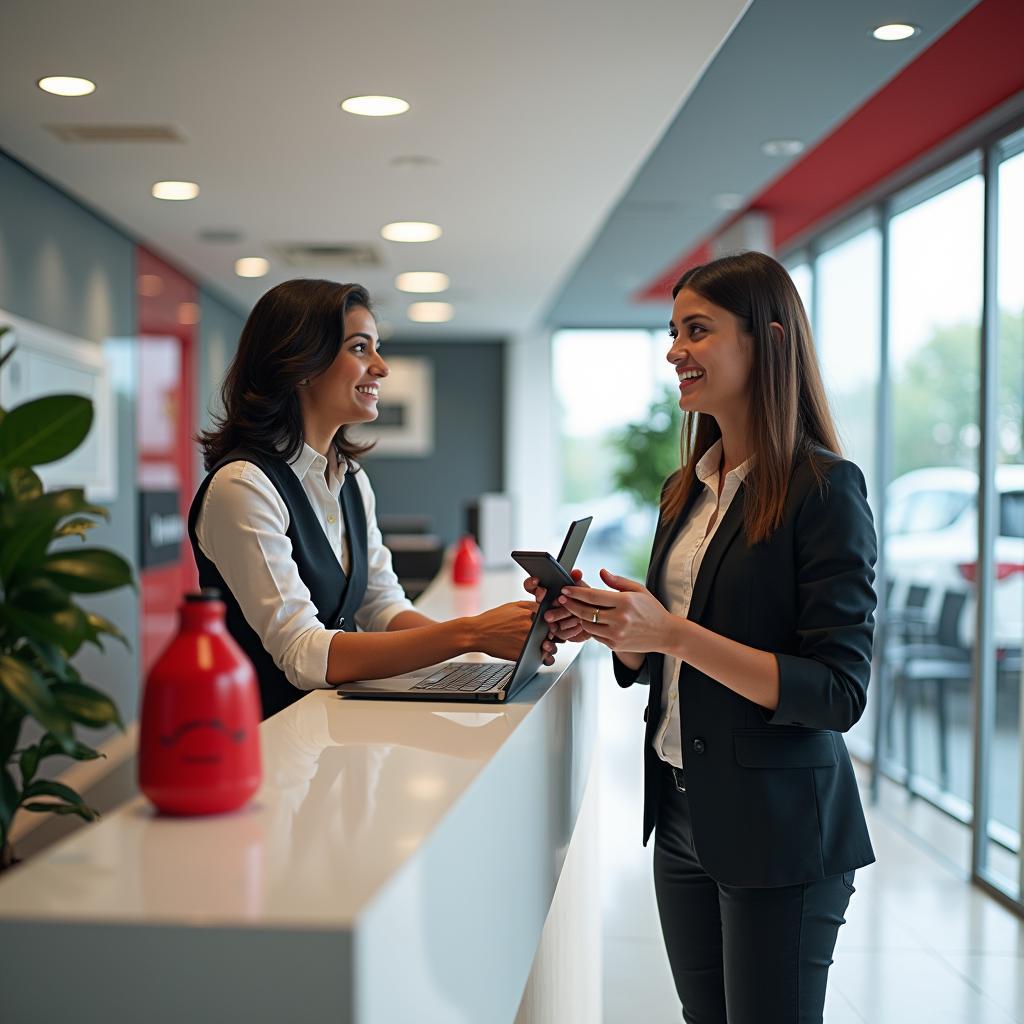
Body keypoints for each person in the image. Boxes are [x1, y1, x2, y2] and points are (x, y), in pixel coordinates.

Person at [530, 252, 876, 1023]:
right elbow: (666, 660)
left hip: (781, 828)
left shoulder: (825, 489)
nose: (675, 350)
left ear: (768, 341)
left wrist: (674, 633)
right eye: (673, 331)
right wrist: (615, 628)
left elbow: (837, 692)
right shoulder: (687, 487)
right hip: (684, 816)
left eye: (698, 330)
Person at [190, 279, 536, 720]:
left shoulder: (350, 479)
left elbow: (381, 606)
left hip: (329, 728)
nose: (381, 367)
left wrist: (484, 645)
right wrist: (469, 635)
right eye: (359, 348)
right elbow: (303, 653)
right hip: (265, 738)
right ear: (301, 364)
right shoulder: (243, 486)